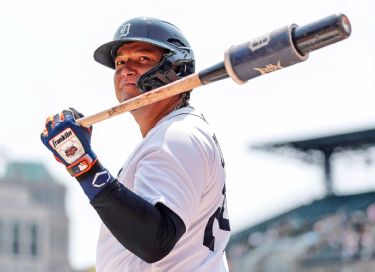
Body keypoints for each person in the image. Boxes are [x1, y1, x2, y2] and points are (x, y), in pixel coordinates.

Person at [41, 16, 230, 271]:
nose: (125, 70)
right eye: (120, 62)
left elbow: (155, 239)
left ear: (177, 68)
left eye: (143, 59)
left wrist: (85, 167)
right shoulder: (174, 132)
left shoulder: (176, 135)